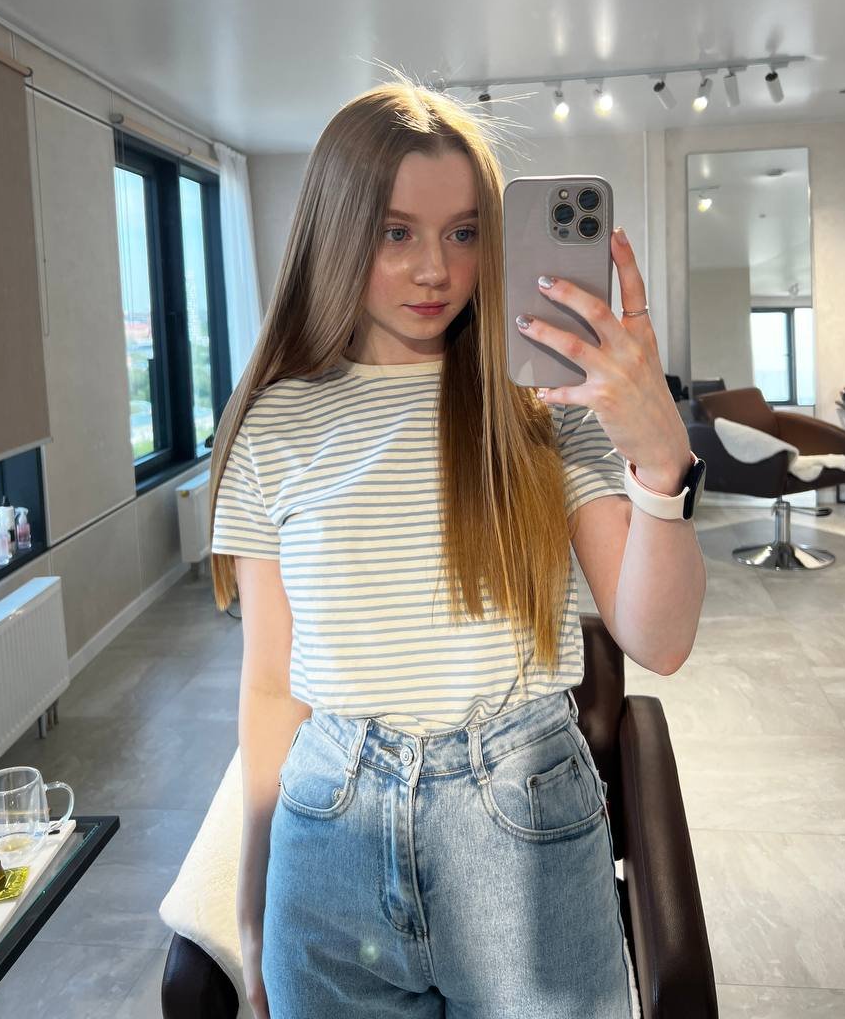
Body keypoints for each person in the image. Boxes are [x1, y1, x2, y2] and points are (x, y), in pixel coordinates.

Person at [209, 80, 703, 1018]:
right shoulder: (272, 424)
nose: (435, 269)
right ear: (335, 232)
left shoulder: (541, 409)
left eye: (465, 232)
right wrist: (251, 902)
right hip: (326, 834)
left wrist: (659, 458)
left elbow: (661, 639)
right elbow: (272, 685)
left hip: (522, 815)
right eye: (396, 232)